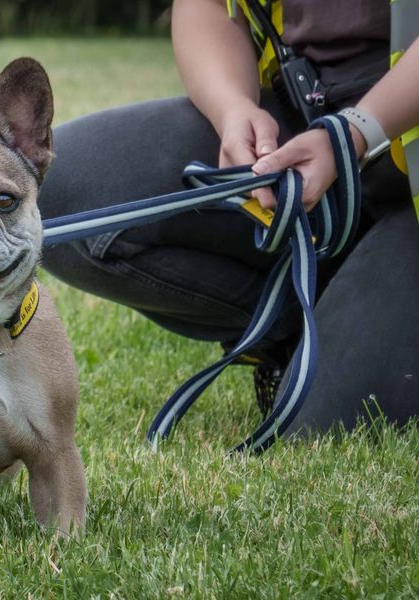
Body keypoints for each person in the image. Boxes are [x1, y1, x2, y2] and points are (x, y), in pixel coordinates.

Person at [38, 0, 419, 436]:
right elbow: (206, 7)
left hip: (393, 159)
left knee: (316, 428)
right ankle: (292, 331)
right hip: (302, 119)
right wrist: (233, 109)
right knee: (48, 191)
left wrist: (355, 132)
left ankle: (360, 320)